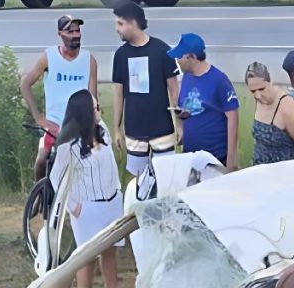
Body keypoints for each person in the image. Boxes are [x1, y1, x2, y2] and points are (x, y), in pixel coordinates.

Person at [49, 90, 123, 288]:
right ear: (83, 112)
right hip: (88, 208)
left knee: (109, 251)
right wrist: (73, 205)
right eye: (94, 108)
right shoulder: (68, 145)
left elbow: (109, 165)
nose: (99, 110)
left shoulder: (103, 130)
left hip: (111, 202)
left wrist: (117, 192)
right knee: (86, 258)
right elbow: (56, 177)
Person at [21, 15, 98, 181]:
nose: (76, 35)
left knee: (93, 163)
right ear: (60, 34)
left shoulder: (89, 60)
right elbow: (25, 84)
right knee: (41, 161)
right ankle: (39, 199)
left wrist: (95, 118)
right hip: (54, 126)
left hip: (80, 126)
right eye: (70, 31)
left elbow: (93, 98)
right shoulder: (49, 57)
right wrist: (39, 118)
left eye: (78, 31)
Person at [112, 1, 180, 179]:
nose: (116, 28)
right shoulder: (120, 55)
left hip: (162, 130)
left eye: (120, 23)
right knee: (138, 184)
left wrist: (180, 124)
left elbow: (174, 89)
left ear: (133, 23)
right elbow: (118, 94)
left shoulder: (162, 50)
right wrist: (116, 129)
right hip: (134, 131)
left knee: (167, 180)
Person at [167, 33, 240, 170]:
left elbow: (233, 118)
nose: (177, 60)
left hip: (214, 158)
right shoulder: (187, 77)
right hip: (191, 157)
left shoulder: (219, 80)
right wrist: (182, 127)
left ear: (192, 57)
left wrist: (231, 160)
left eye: (179, 57)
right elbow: (189, 105)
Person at [245, 62, 294, 165]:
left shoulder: (287, 107)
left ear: (270, 82)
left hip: (283, 173)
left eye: (262, 89)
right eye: (253, 91)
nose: (258, 95)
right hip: (259, 171)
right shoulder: (258, 100)